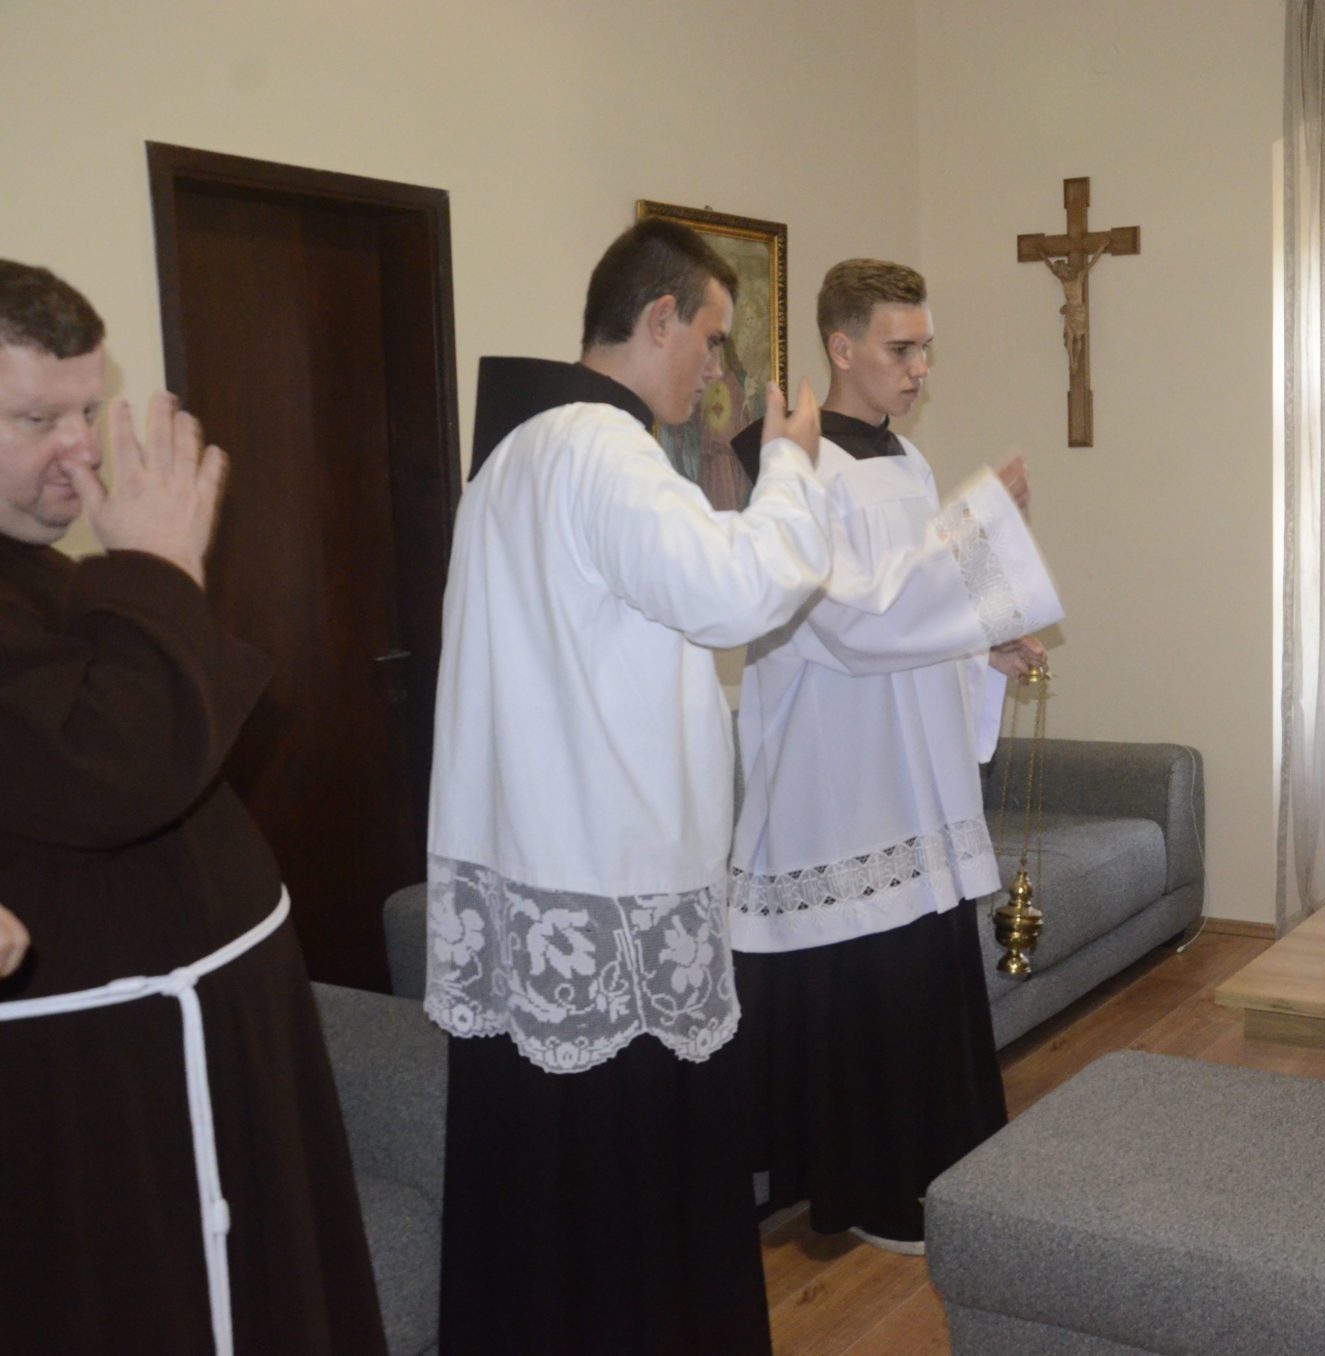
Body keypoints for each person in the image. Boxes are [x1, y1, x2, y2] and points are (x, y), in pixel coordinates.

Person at [424, 220, 832, 1353]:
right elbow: (738, 589)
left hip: (533, 866)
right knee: (630, 1199)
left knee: (540, 1193)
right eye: (711, 336)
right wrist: (791, 467)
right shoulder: (603, 451)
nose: (715, 367)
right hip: (610, 884)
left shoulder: (509, 458)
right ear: (658, 319)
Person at [0, 261, 385, 1352]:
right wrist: (161, 569)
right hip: (103, 1103)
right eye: (35, 419)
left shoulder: (39, 572)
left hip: (209, 1043)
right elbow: (110, 771)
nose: (80, 448)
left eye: (86, 410)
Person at [726, 259, 1061, 1253]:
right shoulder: (795, 469)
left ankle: (933, 1168)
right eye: (900, 349)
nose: (919, 370)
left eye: (925, 350)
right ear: (840, 347)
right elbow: (852, 623)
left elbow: (913, 614)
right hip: (836, 776)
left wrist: (979, 644)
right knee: (860, 981)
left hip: (907, 771)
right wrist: (979, 524)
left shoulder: (903, 461)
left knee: (919, 970)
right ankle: (862, 1188)